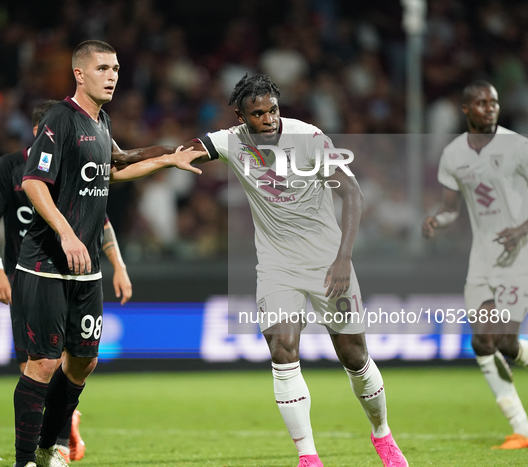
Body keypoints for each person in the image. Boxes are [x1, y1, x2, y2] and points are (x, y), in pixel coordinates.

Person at [119, 74, 408, 467]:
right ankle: (308, 457)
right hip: (276, 266)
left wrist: (343, 259)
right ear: (241, 116)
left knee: (354, 355)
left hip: (328, 261)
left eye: (273, 109)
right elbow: (176, 151)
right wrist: (124, 156)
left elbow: (351, 193)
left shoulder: (309, 138)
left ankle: (382, 434)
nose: (269, 118)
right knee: (283, 351)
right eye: (258, 114)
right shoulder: (230, 140)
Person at [11, 40, 203, 467]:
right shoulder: (60, 120)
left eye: (115, 67)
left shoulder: (101, 123)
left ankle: (49, 445)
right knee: (42, 364)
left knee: (83, 362)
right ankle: (27, 458)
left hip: (87, 270)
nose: (112, 75)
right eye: (102, 68)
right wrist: (66, 233)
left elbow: (113, 169)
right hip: (46, 262)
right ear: (80, 74)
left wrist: (167, 160)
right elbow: (34, 182)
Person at [0, 99, 133, 463]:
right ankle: (43, 446)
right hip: (29, 273)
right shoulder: (10, 167)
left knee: (76, 361)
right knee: (39, 365)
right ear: (39, 131)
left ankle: (57, 441)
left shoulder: (74, 163)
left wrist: (119, 265)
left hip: (78, 270)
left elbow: (101, 218)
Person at [423, 80, 528, 450]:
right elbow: (453, 208)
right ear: (466, 109)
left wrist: (521, 228)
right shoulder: (453, 154)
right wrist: (439, 219)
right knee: (482, 341)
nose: (490, 107)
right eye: (482, 103)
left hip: (520, 256)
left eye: (494, 102)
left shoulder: (517, 146)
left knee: (504, 340)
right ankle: (521, 428)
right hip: (481, 258)